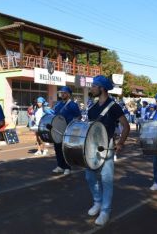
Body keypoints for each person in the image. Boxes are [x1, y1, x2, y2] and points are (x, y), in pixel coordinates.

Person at [85, 75, 130, 225]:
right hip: (92, 147)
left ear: (102, 88)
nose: (91, 88)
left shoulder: (114, 106)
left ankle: (105, 210)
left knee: (106, 180)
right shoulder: (92, 108)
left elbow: (126, 126)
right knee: (90, 177)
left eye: (93, 86)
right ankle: (97, 201)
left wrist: (121, 143)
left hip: (107, 147)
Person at [52, 86, 81, 175]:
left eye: (64, 93)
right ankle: (60, 166)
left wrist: (73, 126)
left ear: (69, 94)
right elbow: (54, 115)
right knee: (57, 148)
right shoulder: (58, 104)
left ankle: (67, 167)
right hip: (58, 129)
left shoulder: (73, 104)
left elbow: (79, 116)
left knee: (65, 149)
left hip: (68, 129)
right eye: (61, 93)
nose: (62, 94)